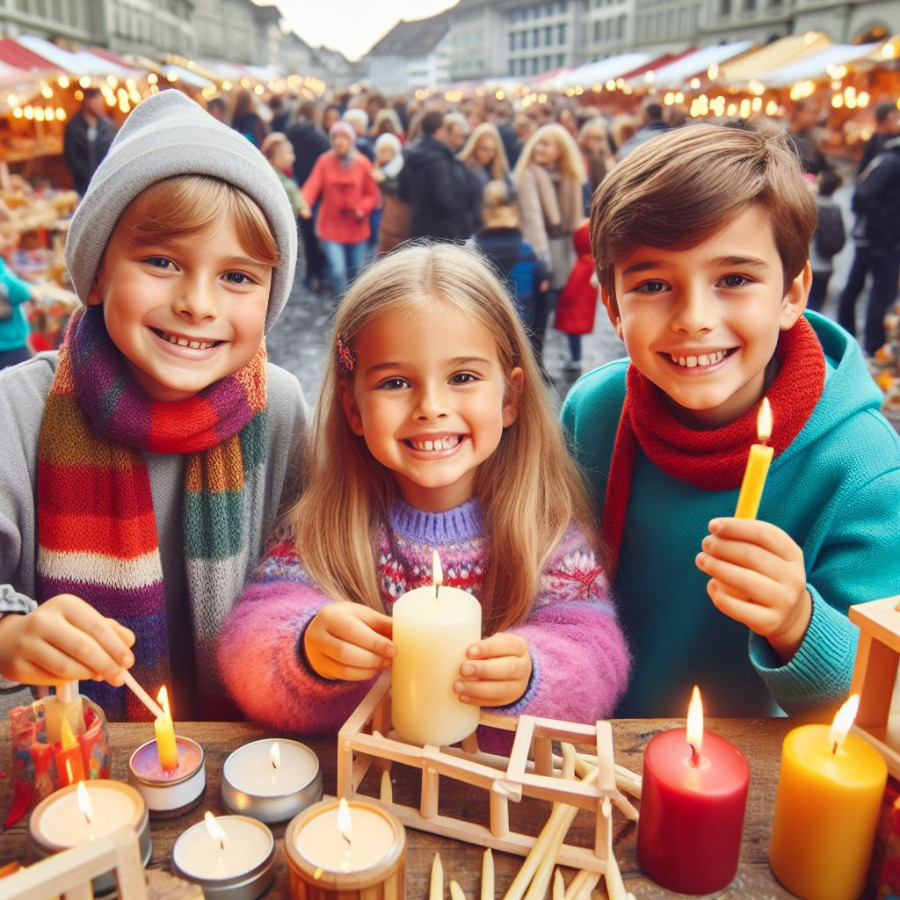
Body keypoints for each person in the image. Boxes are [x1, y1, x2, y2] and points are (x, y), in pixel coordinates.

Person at [217, 243, 629, 738]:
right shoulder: (323, 529)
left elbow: (597, 656)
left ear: (510, 397)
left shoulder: (545, 533)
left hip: (496, 780)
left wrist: (533, 674)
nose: (431, 406)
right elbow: (249, 643)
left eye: (463, 377)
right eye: (395, 382)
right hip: (368, 777)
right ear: (353, 408)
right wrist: (307, 650)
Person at [561, 125, 900, 719]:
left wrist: (797, 622)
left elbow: (877, 699)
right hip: (589, 747)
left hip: (748, 764)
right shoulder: (594, 412)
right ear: (612, 306)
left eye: (734, 279)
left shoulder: (864, 471)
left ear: (792, 293)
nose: (694, 318)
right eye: (653, 284)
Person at [0, 90, 308, 721]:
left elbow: (310, 577)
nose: (198, 303)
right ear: (96, 274)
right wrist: (10, 635)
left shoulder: (280, 409)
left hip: (244, 754)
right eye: (162, 261)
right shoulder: (18, 410)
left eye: (237, 276)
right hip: (81, 760)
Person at [514, 123, 588, 373]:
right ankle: (534, 365)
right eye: (538, 143)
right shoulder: (528, 174)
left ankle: (574, 357)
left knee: (569, 304)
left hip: (565, 250)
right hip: (538, 251)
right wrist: (543, 260)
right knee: (539, 311)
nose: (539, 148)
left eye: (547, 144)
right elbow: (533, 219)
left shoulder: (570, 177)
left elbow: (576, 221)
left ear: (560, 150)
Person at [301, 121, 379, 298]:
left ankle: (353, 302)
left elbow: (372, 195)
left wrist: (362, 208)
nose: (339, 141)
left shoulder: (362, 163)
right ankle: (342, 303)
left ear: (351, 140)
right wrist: (302, 204)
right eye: (335, 137)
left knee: (356, 271)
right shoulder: (324, 161)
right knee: (337, 270)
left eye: (343, 137)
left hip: (356, 226)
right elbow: (312, 185)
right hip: (331, 226)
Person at [470, 180, 547, 337]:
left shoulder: (471, 251)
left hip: (483, 330)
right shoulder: (527, 251)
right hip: (522, 330)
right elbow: (541, 303)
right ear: (514, 211)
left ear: (485, 212)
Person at [399, 111, 480, 242]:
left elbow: (403, 191)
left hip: (418, 227)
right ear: (439, 131)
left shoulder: (412, 154)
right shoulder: (438, 159)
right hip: (442, 232)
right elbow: (445, 200)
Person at [286, 100, 331, 293]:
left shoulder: (290, 133)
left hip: (298, 189)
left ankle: (311, 274)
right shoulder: (318, 137)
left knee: (307, 235)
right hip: (318, 191)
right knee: (319, 233)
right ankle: (321, 273)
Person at [554, 221, 598, 379]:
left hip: (574, 309)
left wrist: (562, 301)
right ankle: (576, 357)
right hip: (583, 308)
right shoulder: (592, 263)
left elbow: (571, 290)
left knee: (573, 332)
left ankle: (575, 358)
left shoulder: (582, 264)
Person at [63, 87, 118, 196]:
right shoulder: (74, 128)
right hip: (84, 188)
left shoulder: (108, 126)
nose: (100, 106)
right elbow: (72, 158)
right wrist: (91, 176)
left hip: (107, 184)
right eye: (96, 102)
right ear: (87, 102)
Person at [807, 169, 845, 312]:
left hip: (809, 264)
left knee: (806, 307)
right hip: (826, 266)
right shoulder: (836, 208)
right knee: (817, 306)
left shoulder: (812, 205)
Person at [371, 133, 410, 255]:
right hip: (381, 213)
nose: (384, 154)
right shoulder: (378, 166)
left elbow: (401, 189)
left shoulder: (401, 166)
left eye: (387, 151)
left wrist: (383, 181)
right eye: (382, 151)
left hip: (396, 219)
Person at [260, 132, 311, 222]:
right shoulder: (285, 184)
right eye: (289, 153)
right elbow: (305, 213)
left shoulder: (265, 176)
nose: (293, 158)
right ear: (274, 155)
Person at [458, 122, 513, 192]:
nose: (488, 154)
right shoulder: (463, 170)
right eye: (483, 149)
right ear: (474, 147)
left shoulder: (502, 172)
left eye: (492, 150)